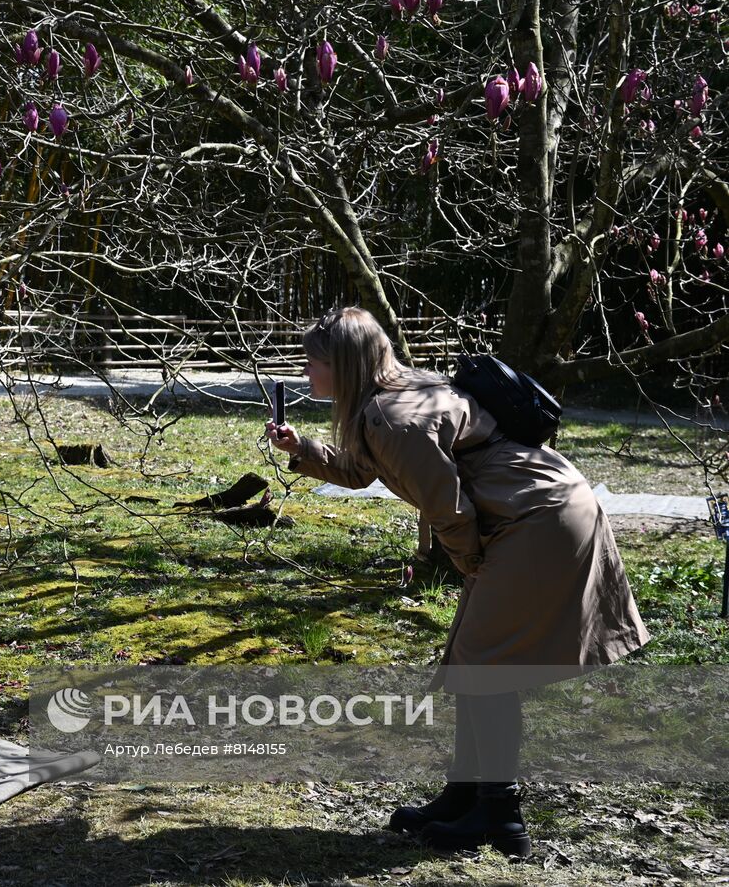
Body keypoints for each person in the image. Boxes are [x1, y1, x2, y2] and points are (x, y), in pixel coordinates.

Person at [266, 306, 649, 857]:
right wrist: (301, 449)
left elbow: (447, 508)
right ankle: (466, 796)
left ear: (345, 365)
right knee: (469, 664)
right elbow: (361, 471)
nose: (307, 373)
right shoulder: (392, 399)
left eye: (314, 362)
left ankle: (500, 818)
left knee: (484, 669)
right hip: (530, 509)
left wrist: (470, 564)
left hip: (535, 517)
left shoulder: (393, 417)